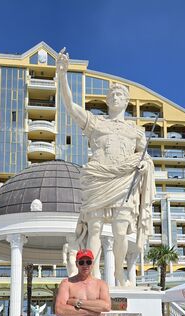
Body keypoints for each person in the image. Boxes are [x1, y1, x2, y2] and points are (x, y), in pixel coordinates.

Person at [56, 49, 155, 286]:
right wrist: (62, 75)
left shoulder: (135, 130)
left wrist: (145, 163)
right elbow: (70, 106)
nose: (115, 97)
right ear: (107, 100)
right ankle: (93, 276)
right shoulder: (96, 123)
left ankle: (119, 274)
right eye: (112, 94)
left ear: (126, 101)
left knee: (120, 231)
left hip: (124, 182)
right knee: (95, 229)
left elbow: (145, 156)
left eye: (120, 94)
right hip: (98, 179)